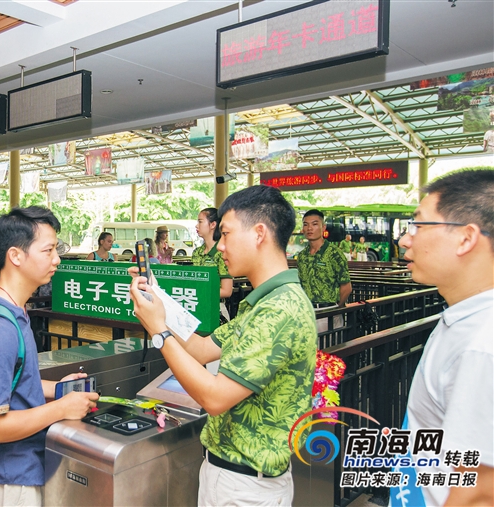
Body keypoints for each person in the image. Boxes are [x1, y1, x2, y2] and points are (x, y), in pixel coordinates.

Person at [129, 185, 317, 506]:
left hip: (245, 487)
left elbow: (215, 398)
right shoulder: (265, 302)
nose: (221, 246)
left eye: (226, 234)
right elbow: (201, 348)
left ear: (259, 233)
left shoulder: (278, 309)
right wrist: (158, 296)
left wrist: (158, 330)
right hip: (233, 477)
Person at [0, 206, 98, 506]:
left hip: (22, 473)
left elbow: (13, 382)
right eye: (48, 250)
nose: (56, 259)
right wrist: (61, 408)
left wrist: (58, 388)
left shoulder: (15, 311)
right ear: (16, 256)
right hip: (6, 482)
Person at [392, 169, 493, 507]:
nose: (405, 240)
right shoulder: (463, 318)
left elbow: (480, 492)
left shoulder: (482, 345)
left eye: (418, 225)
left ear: (466, 238)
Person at [297, 209, 352, 332]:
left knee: (329, 344)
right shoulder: (302, 256)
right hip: (307, 313)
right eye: (306, 224)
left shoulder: (334, 253)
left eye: (314, 224)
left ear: (323, 227)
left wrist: (335, 308)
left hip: (329, 312)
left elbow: (346, 287)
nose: (309, 228)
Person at [192, 207, 233, 322]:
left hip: (216, 308)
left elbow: (227, 291)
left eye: (200, 222)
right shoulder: (197, 253)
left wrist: (200, 293)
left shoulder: (222, 253)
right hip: (197, 306)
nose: (196, 226)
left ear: (213, 224)